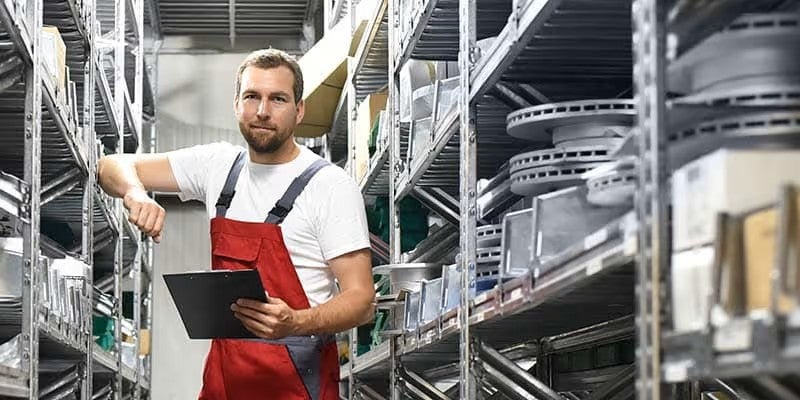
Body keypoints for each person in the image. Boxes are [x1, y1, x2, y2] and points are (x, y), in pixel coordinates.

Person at [97, 48, 375, 400]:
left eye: (278, 99)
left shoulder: (330, 186)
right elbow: (109, 166)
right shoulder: (218, 166)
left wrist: (296, 322)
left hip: (297, 386)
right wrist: (135, 193)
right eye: (251, 96)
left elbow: (362, 300)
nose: (262, 111)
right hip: (223, 383)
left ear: (299, 110)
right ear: (236, 104)